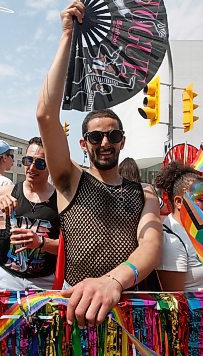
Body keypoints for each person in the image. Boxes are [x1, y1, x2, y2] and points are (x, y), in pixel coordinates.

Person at [35, 1, 162, 327]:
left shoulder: (144, 192)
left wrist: (114, 282)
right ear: (83, 144)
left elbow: (151, 244)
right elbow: (45, 115)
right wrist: (66, 36)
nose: (104, 142)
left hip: (127, 310)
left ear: (122, 141)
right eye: (95, 137)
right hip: (73, 309)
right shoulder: (69, 179)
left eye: (112, 135)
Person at [0, 137, 60, 290]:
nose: (32, 167)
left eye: (40, 163)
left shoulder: (60, 200)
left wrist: (42, 242)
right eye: (28, 160)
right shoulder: (11, 190)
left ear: (51, 165)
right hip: (7, 278)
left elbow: (70, 246)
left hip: (44, 281)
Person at [154, 161, 203, 291]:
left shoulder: (202, 231)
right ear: (179, 202)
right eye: (202, 200)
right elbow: (176, 303)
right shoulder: (170, 240)